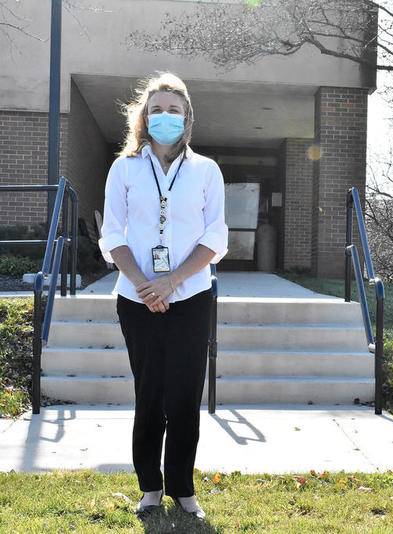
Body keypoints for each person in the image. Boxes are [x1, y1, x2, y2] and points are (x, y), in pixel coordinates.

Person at [98, 71, 229, 520]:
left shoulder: (206, 170)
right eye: (157, 110)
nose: (165, 117)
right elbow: (112, 234)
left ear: (187, 117)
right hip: (136, 299)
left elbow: (215, 237)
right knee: (149, 393)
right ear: (144, 117)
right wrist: (144, 284)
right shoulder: (125, 168)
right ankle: (150, 486)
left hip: (191, 295)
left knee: (184, 395)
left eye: (174, 110)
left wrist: (171, 281)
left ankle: (183, 487)